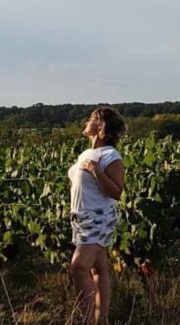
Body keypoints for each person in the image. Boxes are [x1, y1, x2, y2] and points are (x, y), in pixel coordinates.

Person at [69, 107, 126, 324]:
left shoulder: (110, 155)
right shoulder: (86, 153)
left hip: (98, 218)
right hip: (82, 219)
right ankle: (101, 320)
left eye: (92, 119)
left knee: (78, 267)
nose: (87, 121)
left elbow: (117, 191)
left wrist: (97, 171)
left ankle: (86, 320)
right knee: (98, 269)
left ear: (101, 126)